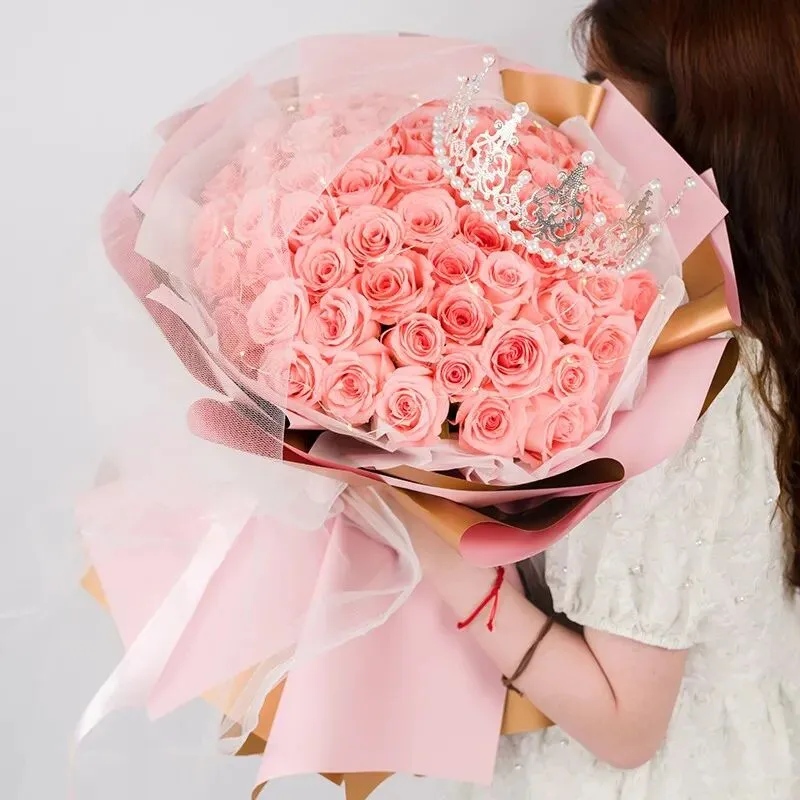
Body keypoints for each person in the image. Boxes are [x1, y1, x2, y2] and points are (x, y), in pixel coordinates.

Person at [417, 2, 800, 797]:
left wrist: (421, 531)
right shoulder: (765, 330)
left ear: (691, 123)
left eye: (601, 86)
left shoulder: (700, 380)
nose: (574, 114)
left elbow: (626, 724)